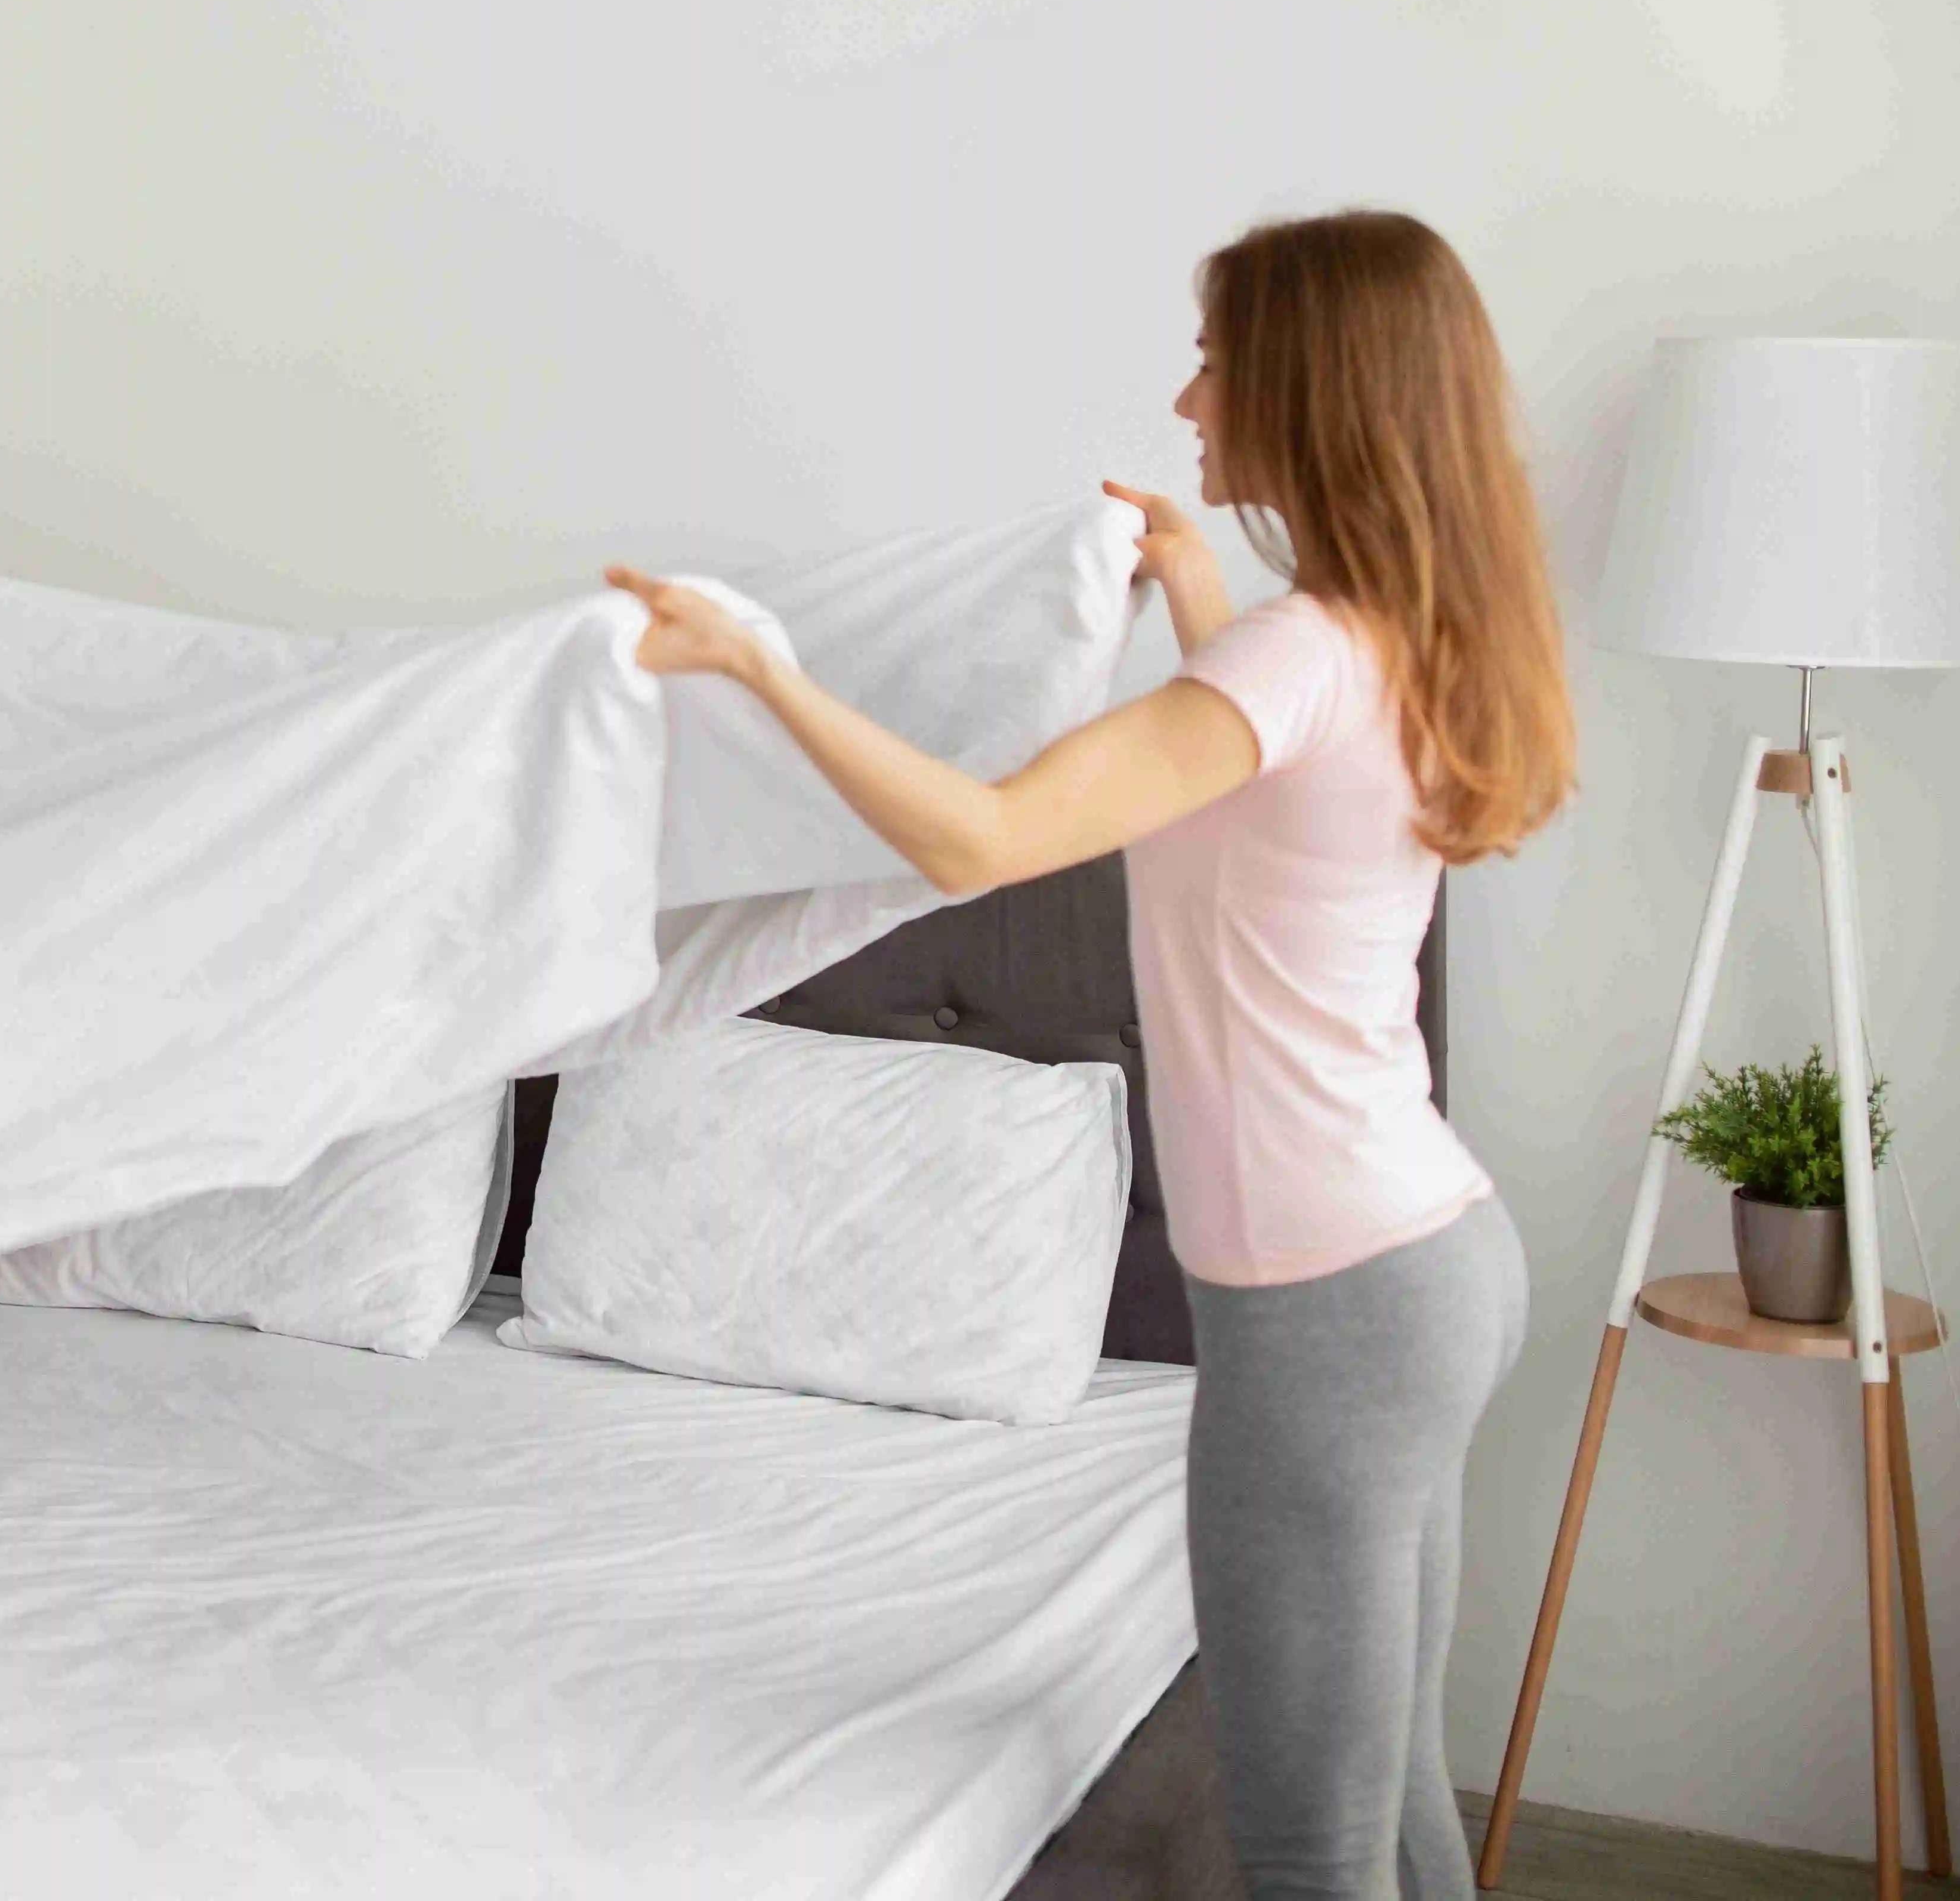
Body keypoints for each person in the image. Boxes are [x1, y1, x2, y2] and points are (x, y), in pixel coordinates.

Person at [610, 209, 1569, 1901]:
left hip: (1327, 1312)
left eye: (1217, 358)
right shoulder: (1394, 634)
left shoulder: (1295, 657)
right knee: (1399, 1801)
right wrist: (1196, 582)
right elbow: (1258, 779)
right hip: (1431, 1260)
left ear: (1306, 384)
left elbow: (980, 843)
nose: (1190, 395)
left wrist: (758, 666)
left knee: (1305, 1843)